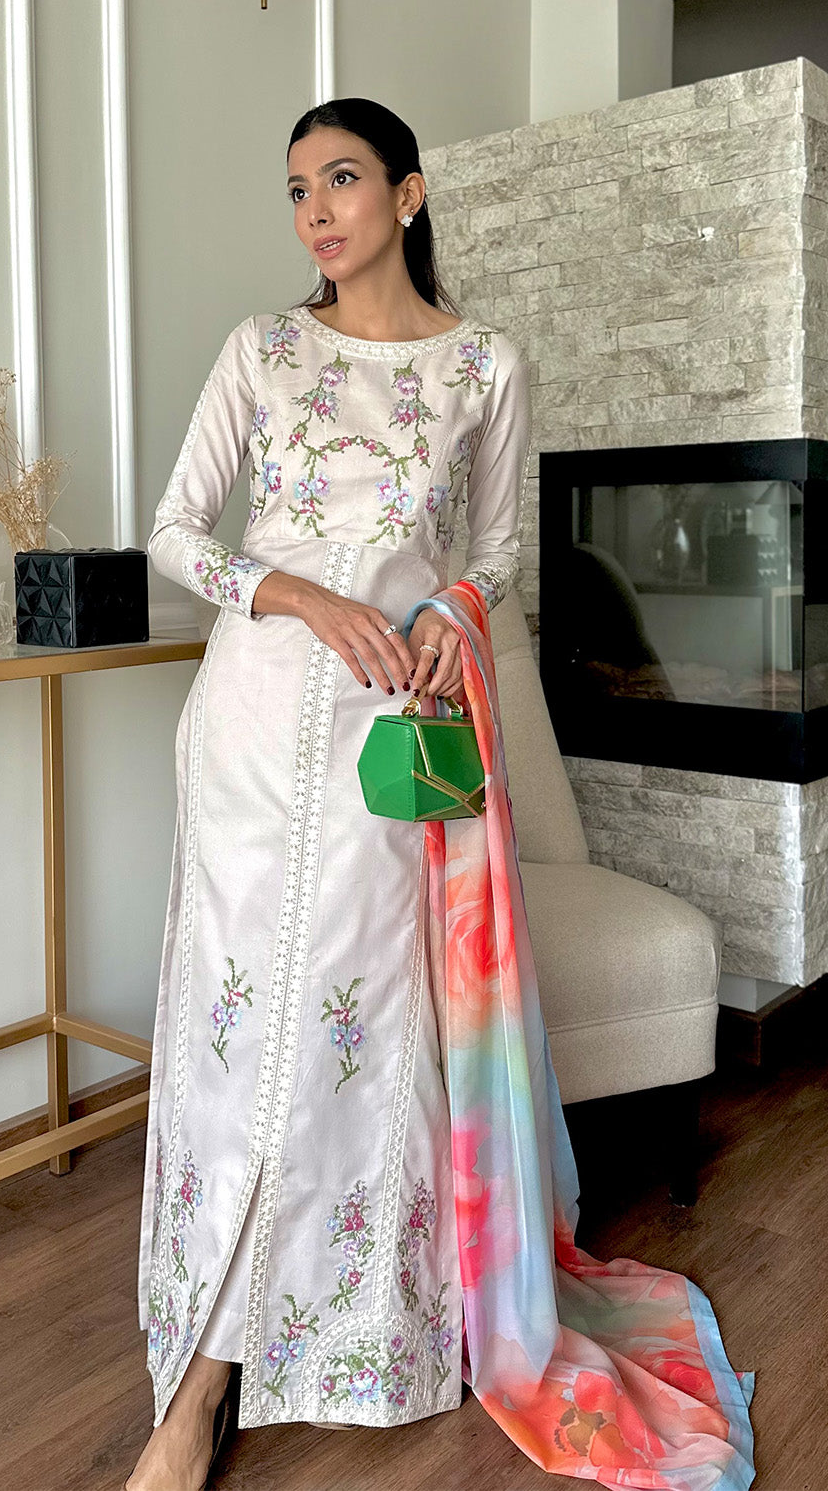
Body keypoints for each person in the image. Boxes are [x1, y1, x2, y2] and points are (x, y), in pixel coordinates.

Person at [124, 99, 755, 1491]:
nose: (316, 212)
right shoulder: (260, 349)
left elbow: (499, 553)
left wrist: (446, 616)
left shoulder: (484, 364)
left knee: (349, 1032)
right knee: (241, 1034)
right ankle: (204, 1377)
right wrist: (300, 595)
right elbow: (174, 531)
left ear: (408, 195)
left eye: (343, 180)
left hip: (394, 738)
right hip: (250, 725)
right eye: (298, 188)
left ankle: (351, 1329)